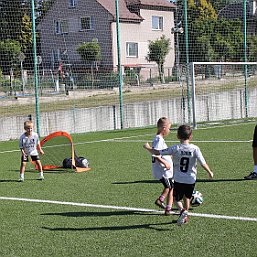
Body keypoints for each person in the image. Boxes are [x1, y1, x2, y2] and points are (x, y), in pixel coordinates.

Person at [144, 124, 213, 225]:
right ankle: (185, 215)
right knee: (187, 198)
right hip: (191, 179)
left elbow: (158, 152)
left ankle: (182, 211)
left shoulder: (175, 148)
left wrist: (148, 148)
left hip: (179, 179)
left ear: (177, 136)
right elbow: (203, 163)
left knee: (176, 199)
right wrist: (209, 172)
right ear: (191, 136)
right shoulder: (195, 149)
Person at [149, 117, 174, 215]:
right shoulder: (158, 139)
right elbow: (155, 155)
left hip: (165, 170)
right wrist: (165, 163)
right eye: (169, 128)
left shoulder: (159, 139)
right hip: (163, 171)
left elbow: (161, 152)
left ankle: (168, 208)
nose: (169, 131)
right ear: (164, 128)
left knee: (171, 187)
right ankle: (160, 200)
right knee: (169, 187)